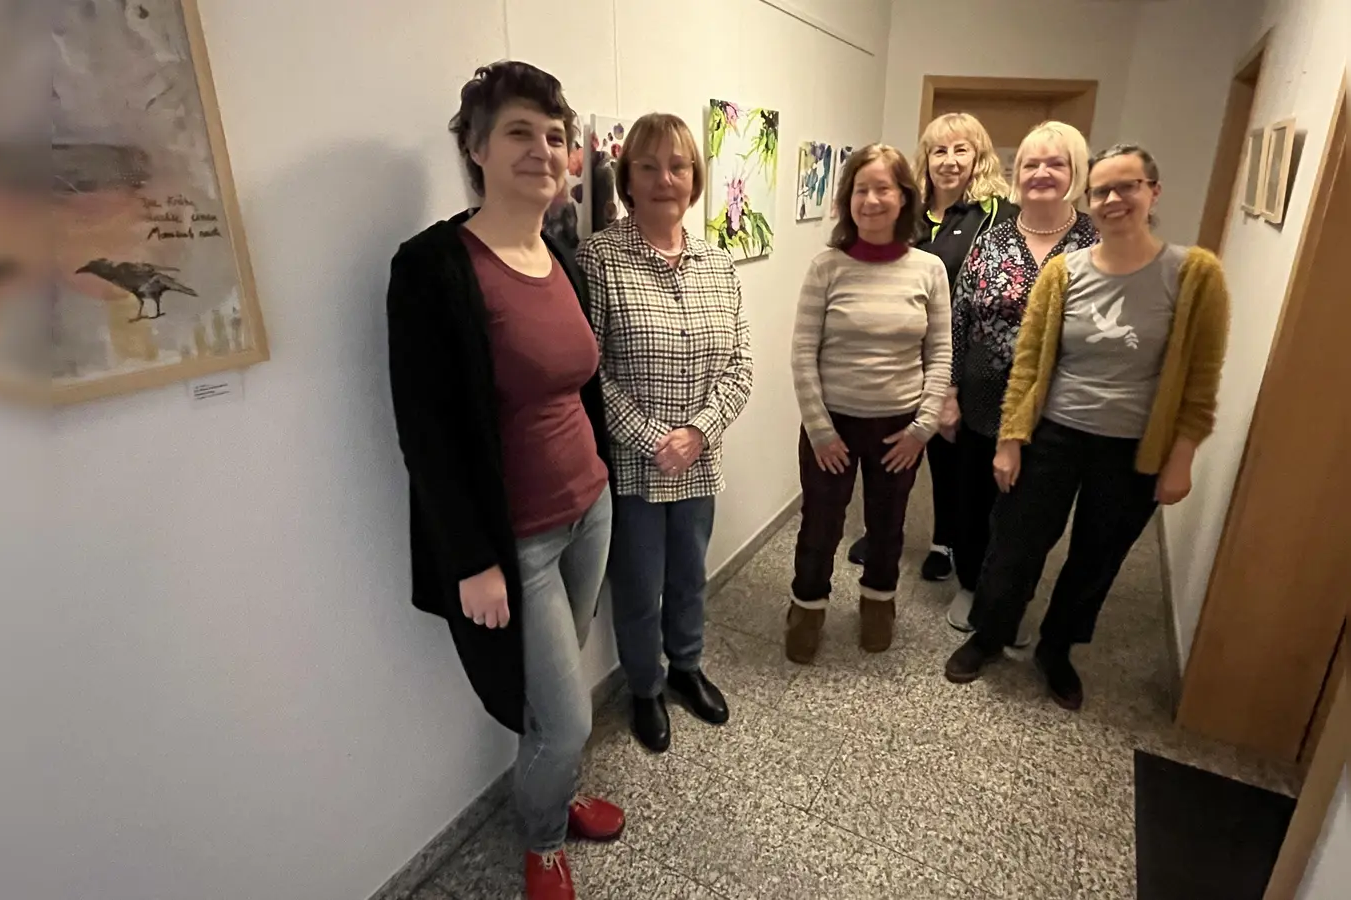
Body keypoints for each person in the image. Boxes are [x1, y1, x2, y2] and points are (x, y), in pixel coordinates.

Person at [385, 61, 624, 900]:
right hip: (513, 540)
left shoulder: (560, 253)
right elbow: (427, 431)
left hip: (590, 507)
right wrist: (471, 560)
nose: (544, 149)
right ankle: (544, 835)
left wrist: (607, 487)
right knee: (563, 715)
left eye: (555, 136)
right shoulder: (433, 266)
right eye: (520, 132)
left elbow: (578, 386)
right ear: (476, 147)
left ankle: (554, 786)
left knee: (561, 705)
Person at [943, 144, 1231, 712]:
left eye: (1127, 186)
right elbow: (1028, 363)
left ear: (1154, 191)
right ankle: (991, 634)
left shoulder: (1193, 274)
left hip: (1134, 447)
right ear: (1089, 198)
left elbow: (1202, 377)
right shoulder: (1063, 271)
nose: (1113, 199)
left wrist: (1182, 457)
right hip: (1054, 433)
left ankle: (1057, 649)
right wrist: (1009, 441)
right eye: (1102, 190)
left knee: (1098, 555)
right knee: (1015, 542)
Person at [577, 113, 754, 755]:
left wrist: (698, 434)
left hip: (700, 464)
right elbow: (589, 373)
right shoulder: (599, 258)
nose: (664, 179)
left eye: (677, 166)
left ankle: (686, 667)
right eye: (648, 167)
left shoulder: (718, 262)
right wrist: (657, 439)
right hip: (633, 468)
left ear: (694, 178)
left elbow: (741, 364)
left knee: (688, 575)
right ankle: (646, 687)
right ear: (627, 179)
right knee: (637, 584)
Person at [785, 144, 952, 664]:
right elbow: (801, 353)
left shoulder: (929, 270)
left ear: (905, 198)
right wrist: (820, 430)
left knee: (887, 524)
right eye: (861, 189)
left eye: (884, 189)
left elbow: (940, 352)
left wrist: (922, 427)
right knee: (820, 525)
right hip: (831, 424)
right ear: (847, 199)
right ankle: (806, 607)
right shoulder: (827, 267)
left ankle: (879, 603)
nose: (872, 200)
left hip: (899, 428)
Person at [845, 112, 1015, 586]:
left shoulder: (996, 216)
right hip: (901, 355)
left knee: (950, 453)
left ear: (978, 155)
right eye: (939, 150)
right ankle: (883, 532)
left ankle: (948, 541)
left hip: (959, 355)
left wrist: (951, 384)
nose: (949, 161)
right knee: (891, 451)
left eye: (961, 149)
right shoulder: (911, 213)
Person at [947, 121, 1098, 634]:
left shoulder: (1095, 243)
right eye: (1030, 164)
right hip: (981, 400)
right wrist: (947, 391)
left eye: (1055, 163)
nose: (1041, 173)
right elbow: (959, 318)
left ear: (1076, 171)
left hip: (1057, 410)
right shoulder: (991, 242)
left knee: (1030, 520)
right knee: (973, 506)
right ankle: (972, 586)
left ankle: (1006, 606)